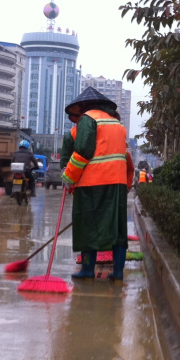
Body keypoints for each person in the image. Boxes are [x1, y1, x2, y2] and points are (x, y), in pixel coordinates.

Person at [61, 87, 133, 281]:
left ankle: (86, 270)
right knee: (117, 228)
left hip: (92, 183)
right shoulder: (118, 124)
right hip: (116, 183)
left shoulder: (88, 118)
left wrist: (69, 177)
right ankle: (117, 272)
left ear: (84, 106)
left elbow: (83, 150)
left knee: (88, 226)